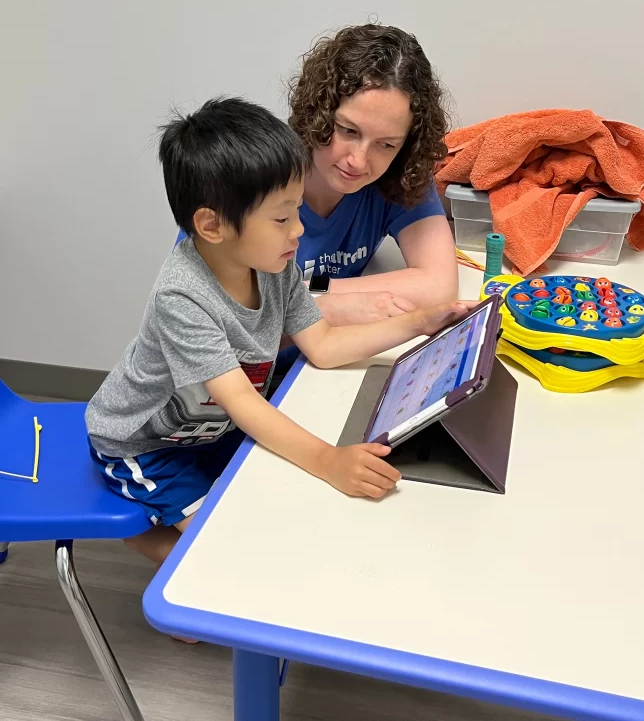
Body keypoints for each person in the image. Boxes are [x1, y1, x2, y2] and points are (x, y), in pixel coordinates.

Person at [86, 96, 471, 569]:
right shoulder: (181, 297)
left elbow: (324, 345)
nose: (299, 230)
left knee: (276, 510)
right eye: (283, 217)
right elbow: (243, 403)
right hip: (149, 448)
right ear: (213, 226)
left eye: (297, 211)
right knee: (230, 556)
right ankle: (149, 538)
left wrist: (416, 323)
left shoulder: (273, 262)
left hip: (209, 429)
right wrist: (330, 462)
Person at [288, 23, 459, 327]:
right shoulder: (251, 177)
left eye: (386, 144)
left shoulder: (399, 175)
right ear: (318, 111)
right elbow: (214, 316)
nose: (358, 161)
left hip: (331, 359)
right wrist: (331, 308)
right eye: (348, 130)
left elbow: (439, 288)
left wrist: (310, 293)